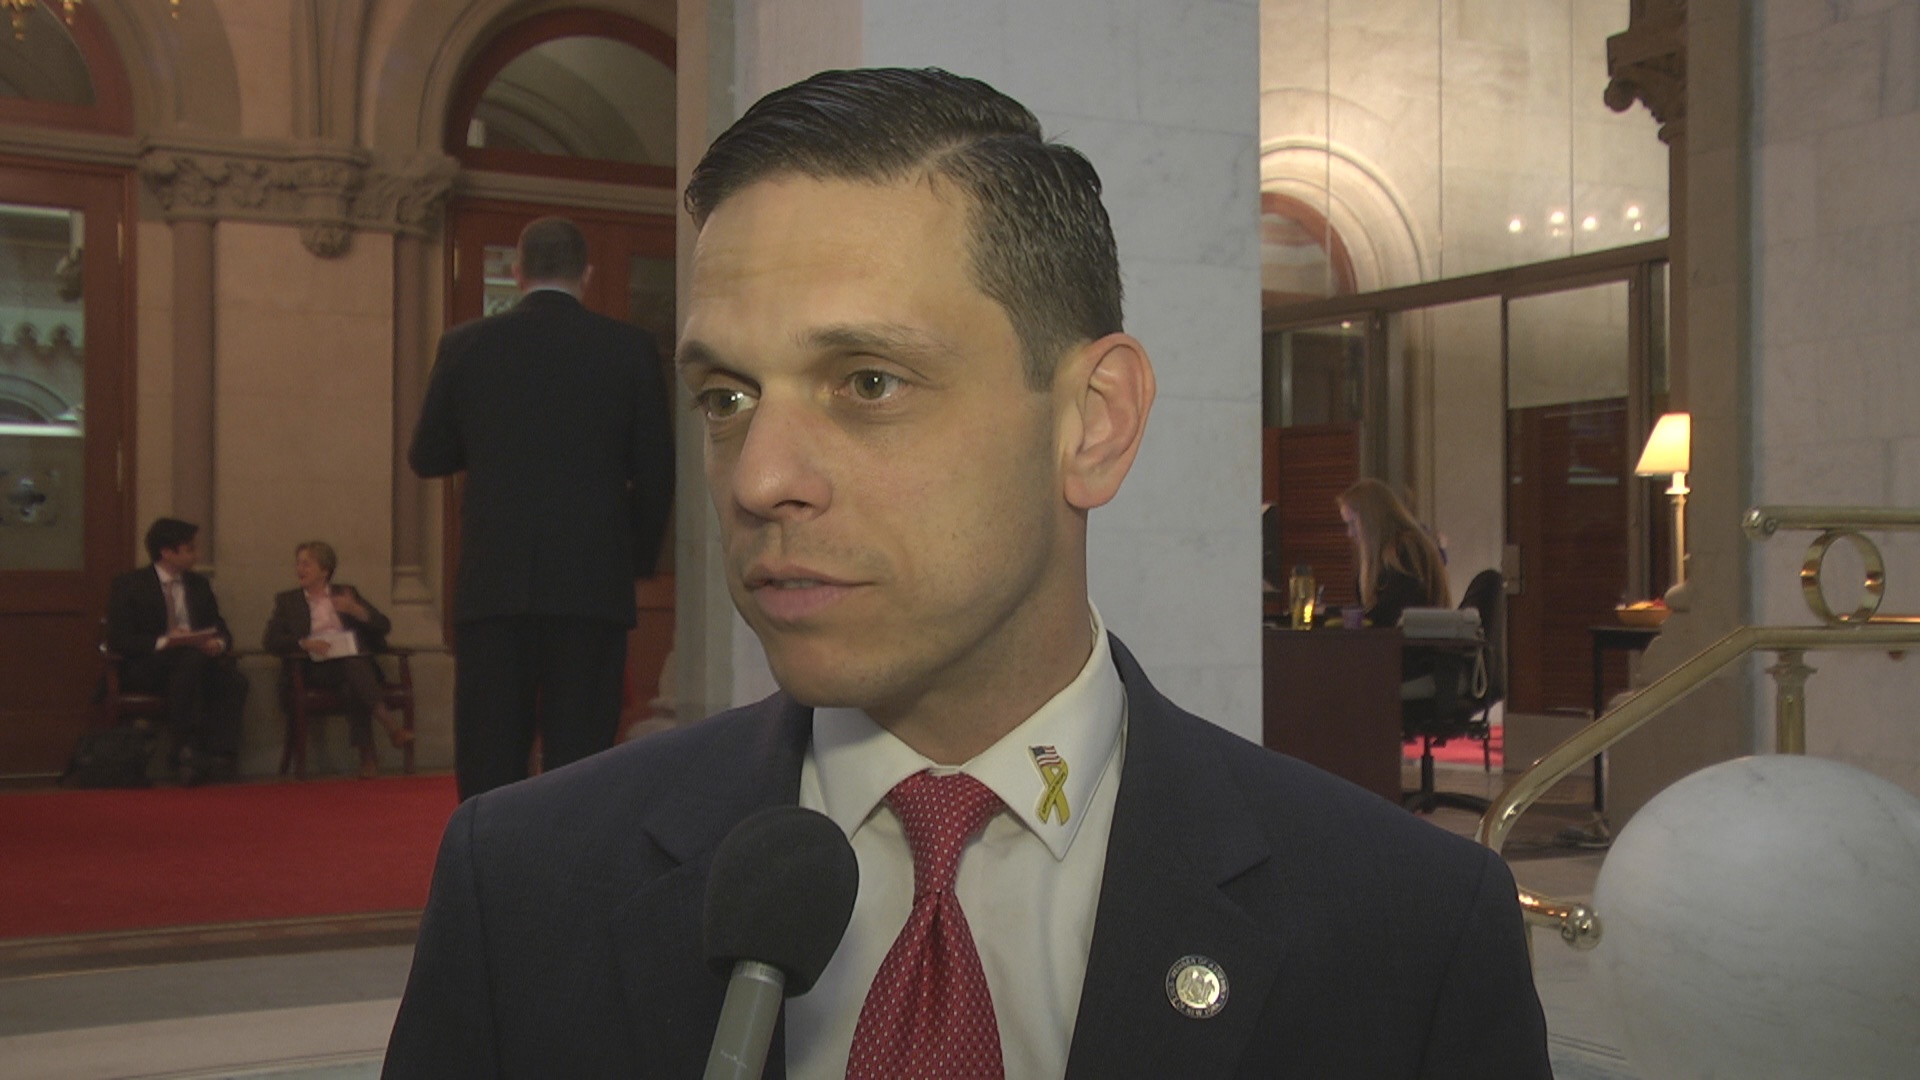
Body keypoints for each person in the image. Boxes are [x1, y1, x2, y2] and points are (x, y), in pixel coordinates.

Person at [385, 69, 1550, 1078]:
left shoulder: (1412, 929)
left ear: (1092, 423)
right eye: (726, 396)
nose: (760, 478)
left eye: (868, 382)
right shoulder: (520, 888)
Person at [409, 216, 675, 801]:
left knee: (489, 751)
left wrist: (490, 442)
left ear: (517, 271)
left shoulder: (466, 345)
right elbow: (656, 471)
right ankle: (572, 858)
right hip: (590, 582)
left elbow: (427, 455)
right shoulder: (627, 349)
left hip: (495, 578)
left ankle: (491, 856)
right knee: (581, 755)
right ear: (586, 273)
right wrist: (632, 561)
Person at [105, 518, 247, 786]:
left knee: (233, 681)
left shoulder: (198, 585)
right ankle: (185, 749)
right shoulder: (129, 585)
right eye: (190, 549)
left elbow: (220, 629)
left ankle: (221, 755)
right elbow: (120, 638)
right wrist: (165, 640)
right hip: (148, 665)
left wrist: (217, 644)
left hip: (195, 663)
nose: (197, 555)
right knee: (189, 661)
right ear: (167, 552)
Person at [262, 541, 413, 780]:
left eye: (306, 564)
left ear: (325, 570)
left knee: (353, 677)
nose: (299, 569)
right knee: (354, 668)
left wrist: (355, 610)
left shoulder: (345, 593)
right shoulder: (288, 601)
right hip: (314, 669)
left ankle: (370, 760)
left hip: (352, 667)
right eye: (298, 564)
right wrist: (305, 643)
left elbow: (383, 626)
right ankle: (390, 730)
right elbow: (271, 640)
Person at [1338, 477, 1451, 629]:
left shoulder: (1406, 549)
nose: (1350, 533)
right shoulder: (1389, 553)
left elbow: (1391, 613)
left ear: (1371, 520)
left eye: (1353, 523)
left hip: (1416, 640)